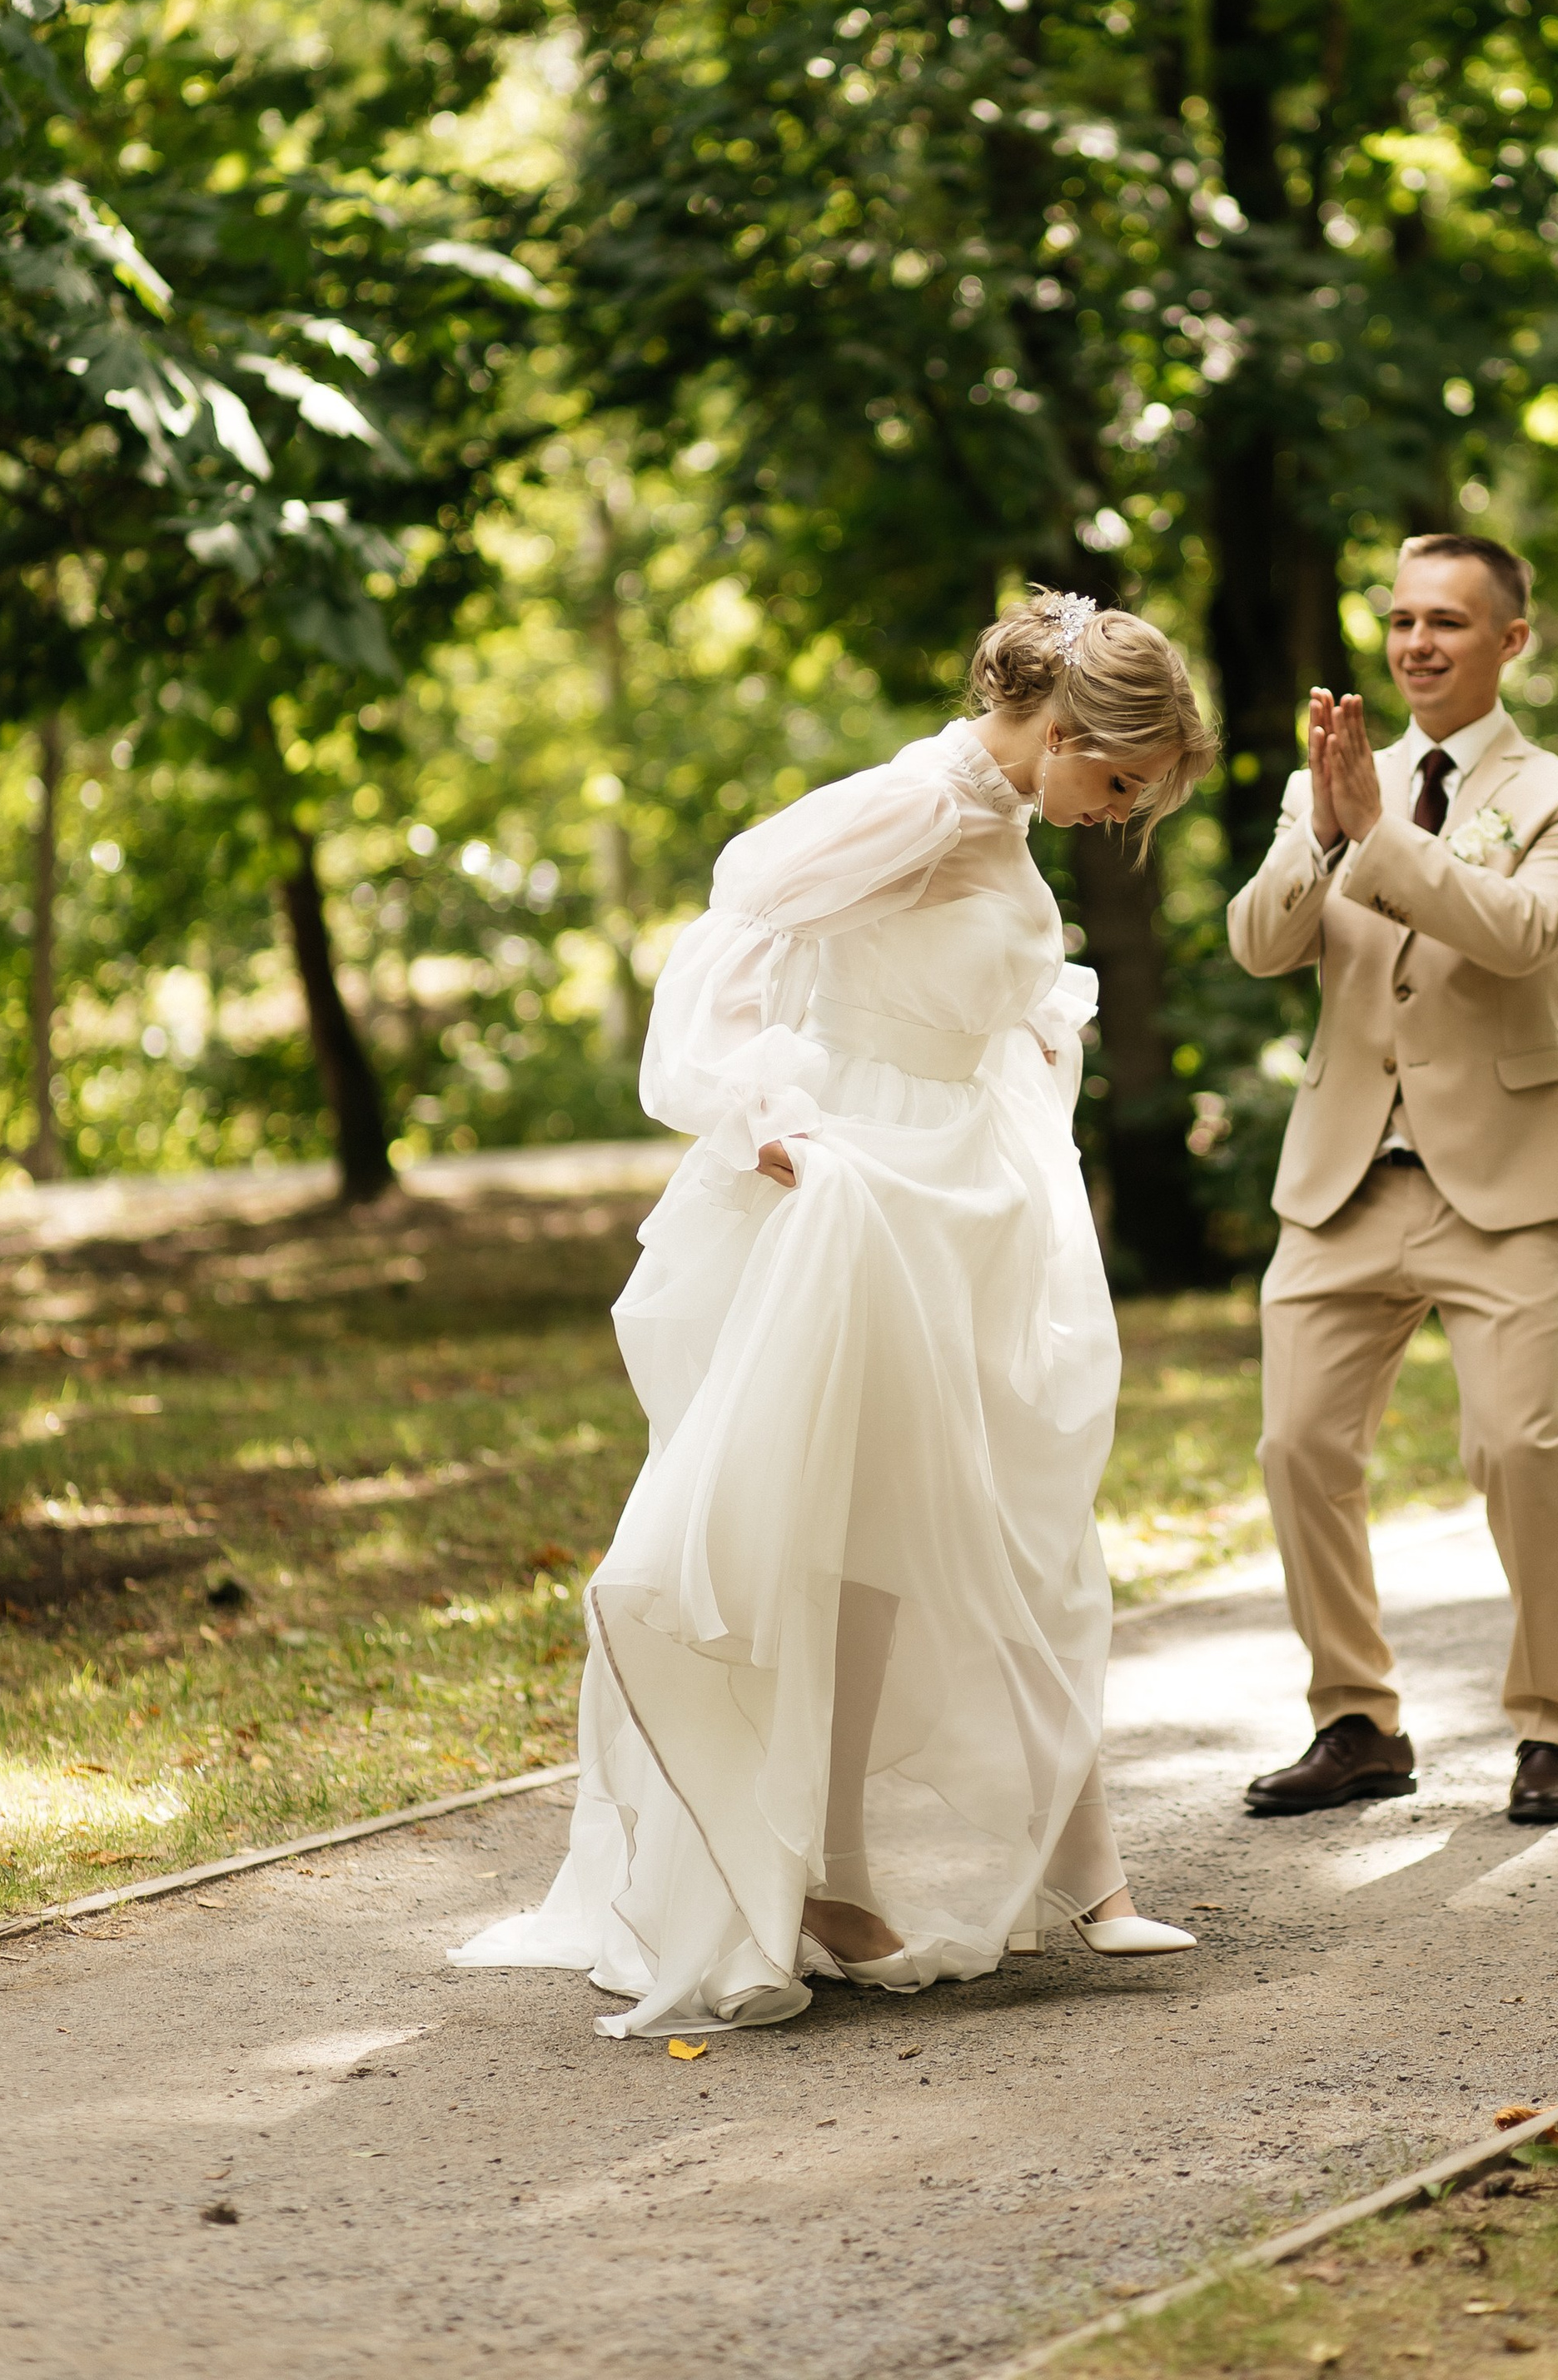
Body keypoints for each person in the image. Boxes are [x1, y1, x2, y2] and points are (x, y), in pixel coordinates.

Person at [453, 593, 1218, 2035]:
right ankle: (824, 1871)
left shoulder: (994, 820)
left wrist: (1029, 1021)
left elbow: (951, 981)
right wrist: (770, 1125)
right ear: (1062, 733)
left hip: (967, 1193)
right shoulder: (915, 802)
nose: (1114, 814)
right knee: (848, 1538)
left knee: (1017, 1520)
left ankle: (1085, 1872)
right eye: (1115, 783)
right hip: (872, 1192)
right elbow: (733, 935)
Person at [1225, 532, 1558, 1827]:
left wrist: (1380, 835)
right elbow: (1257, 943)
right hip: (1344, 1180)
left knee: (1516, 1445)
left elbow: (1520, 936)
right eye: (1401, 620)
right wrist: (1325, 830)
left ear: (1511, 641)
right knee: (1296, 1448)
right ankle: (1357, 1725)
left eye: (1448, 622)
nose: (1416, 644)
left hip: (1503, 1185)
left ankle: (1552, 1728)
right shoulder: (1329, 782)